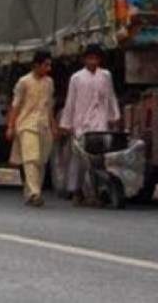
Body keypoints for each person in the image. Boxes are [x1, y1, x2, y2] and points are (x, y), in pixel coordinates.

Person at [59, 43, 121, 205]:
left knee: (98, 160)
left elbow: (110, 97)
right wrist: (66, 124)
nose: (92, 61)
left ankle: (96, 192)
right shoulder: (77, 78)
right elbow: (70, 102)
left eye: (95, 58)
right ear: (84, 60)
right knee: (79, 161)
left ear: (99, 59)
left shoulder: (105, 76)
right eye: (89, 58)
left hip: (100, 124)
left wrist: (114, 116)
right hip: (81, 124)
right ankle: (77, 191)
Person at [6, 50, 56, 207]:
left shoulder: (49, 83)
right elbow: (16, 105)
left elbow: (49, 106)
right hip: (26, 125)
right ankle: (35, 193)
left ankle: (30, 193)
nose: (48, 68)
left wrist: (54, 125)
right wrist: (10, 126)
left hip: (44, 126)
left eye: (49, 65)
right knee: (31, 158)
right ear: (36, 65)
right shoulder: (24, 82)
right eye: (45, 65)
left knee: (41, 161)